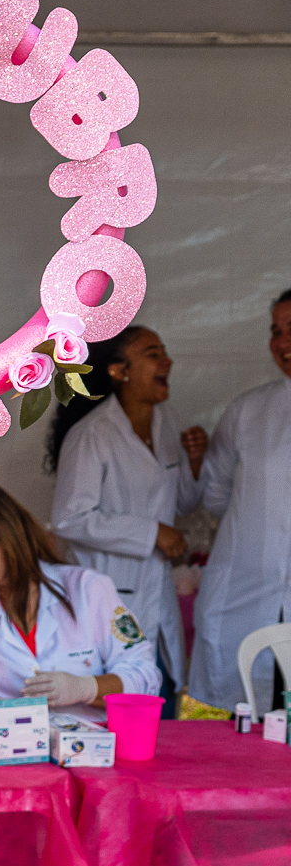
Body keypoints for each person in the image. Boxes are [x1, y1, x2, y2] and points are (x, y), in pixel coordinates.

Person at [47, 327, 208, 705]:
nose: (167, 361)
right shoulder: (91, 434)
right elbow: (69, 517)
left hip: (157, 591)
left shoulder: (167, 424)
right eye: (153, 354)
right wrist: (153, 533)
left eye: (164, 351)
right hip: (108, 591)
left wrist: (195, 462)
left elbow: (182, 504)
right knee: (115, 700)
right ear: (119, 371)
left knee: (159, 694)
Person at [0, 482, 160, 722]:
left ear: (6, 541)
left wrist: (86, 688)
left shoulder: (87, 589)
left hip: (92, 741)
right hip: (10, 745)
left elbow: (146, 677)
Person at [189, 290, 291, 711]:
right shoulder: (249, 410)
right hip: (247, 590)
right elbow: (216, 496)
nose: (281, 342)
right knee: (244, 712)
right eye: (275, 331)